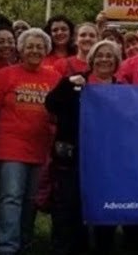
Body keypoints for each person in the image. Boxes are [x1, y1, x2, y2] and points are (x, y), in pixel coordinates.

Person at [45, 40, 120, 255]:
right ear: (91, 60)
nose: (104, 59)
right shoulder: (75, 82)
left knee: (105, 205)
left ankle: (104, 247)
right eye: (100, 55)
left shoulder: (123, 89)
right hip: (73, 157)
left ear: (116, 62)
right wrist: (67, 84)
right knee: (72, 206)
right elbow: (51, 104)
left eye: (109, 56)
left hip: (107, 160)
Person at [0, 28, 63, 255]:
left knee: (31, 199)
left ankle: (25, 240)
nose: (35, 50)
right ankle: (8, 245)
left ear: (46, 50)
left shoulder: (54, 77)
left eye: (39, 47)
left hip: (40, 147)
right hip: (10, 145)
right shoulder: (6, 74)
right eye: (30, 46)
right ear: (21, 50)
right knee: (11, 197)